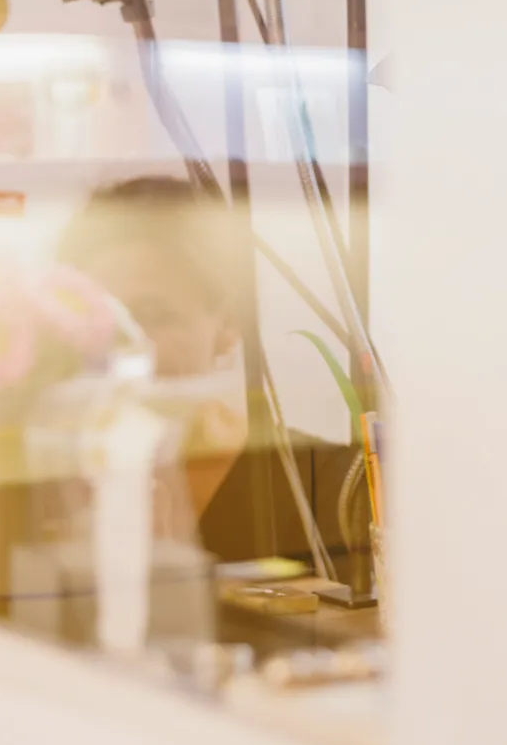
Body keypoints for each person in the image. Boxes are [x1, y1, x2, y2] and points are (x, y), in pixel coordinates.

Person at [59, 176, 354, 566]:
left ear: (228, 324)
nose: (117, 343)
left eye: (151, 315)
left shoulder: (326, 487)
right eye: (97, 316)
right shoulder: (43, 475)